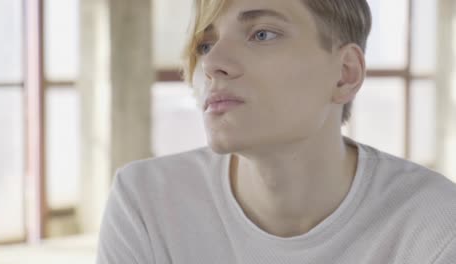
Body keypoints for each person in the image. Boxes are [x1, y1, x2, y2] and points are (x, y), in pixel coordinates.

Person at [96, 0, 456, 263]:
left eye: (262, 34)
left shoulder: (434, 222)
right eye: (206, 45)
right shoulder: (147, 202)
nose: (213, 64)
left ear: (345, 73)